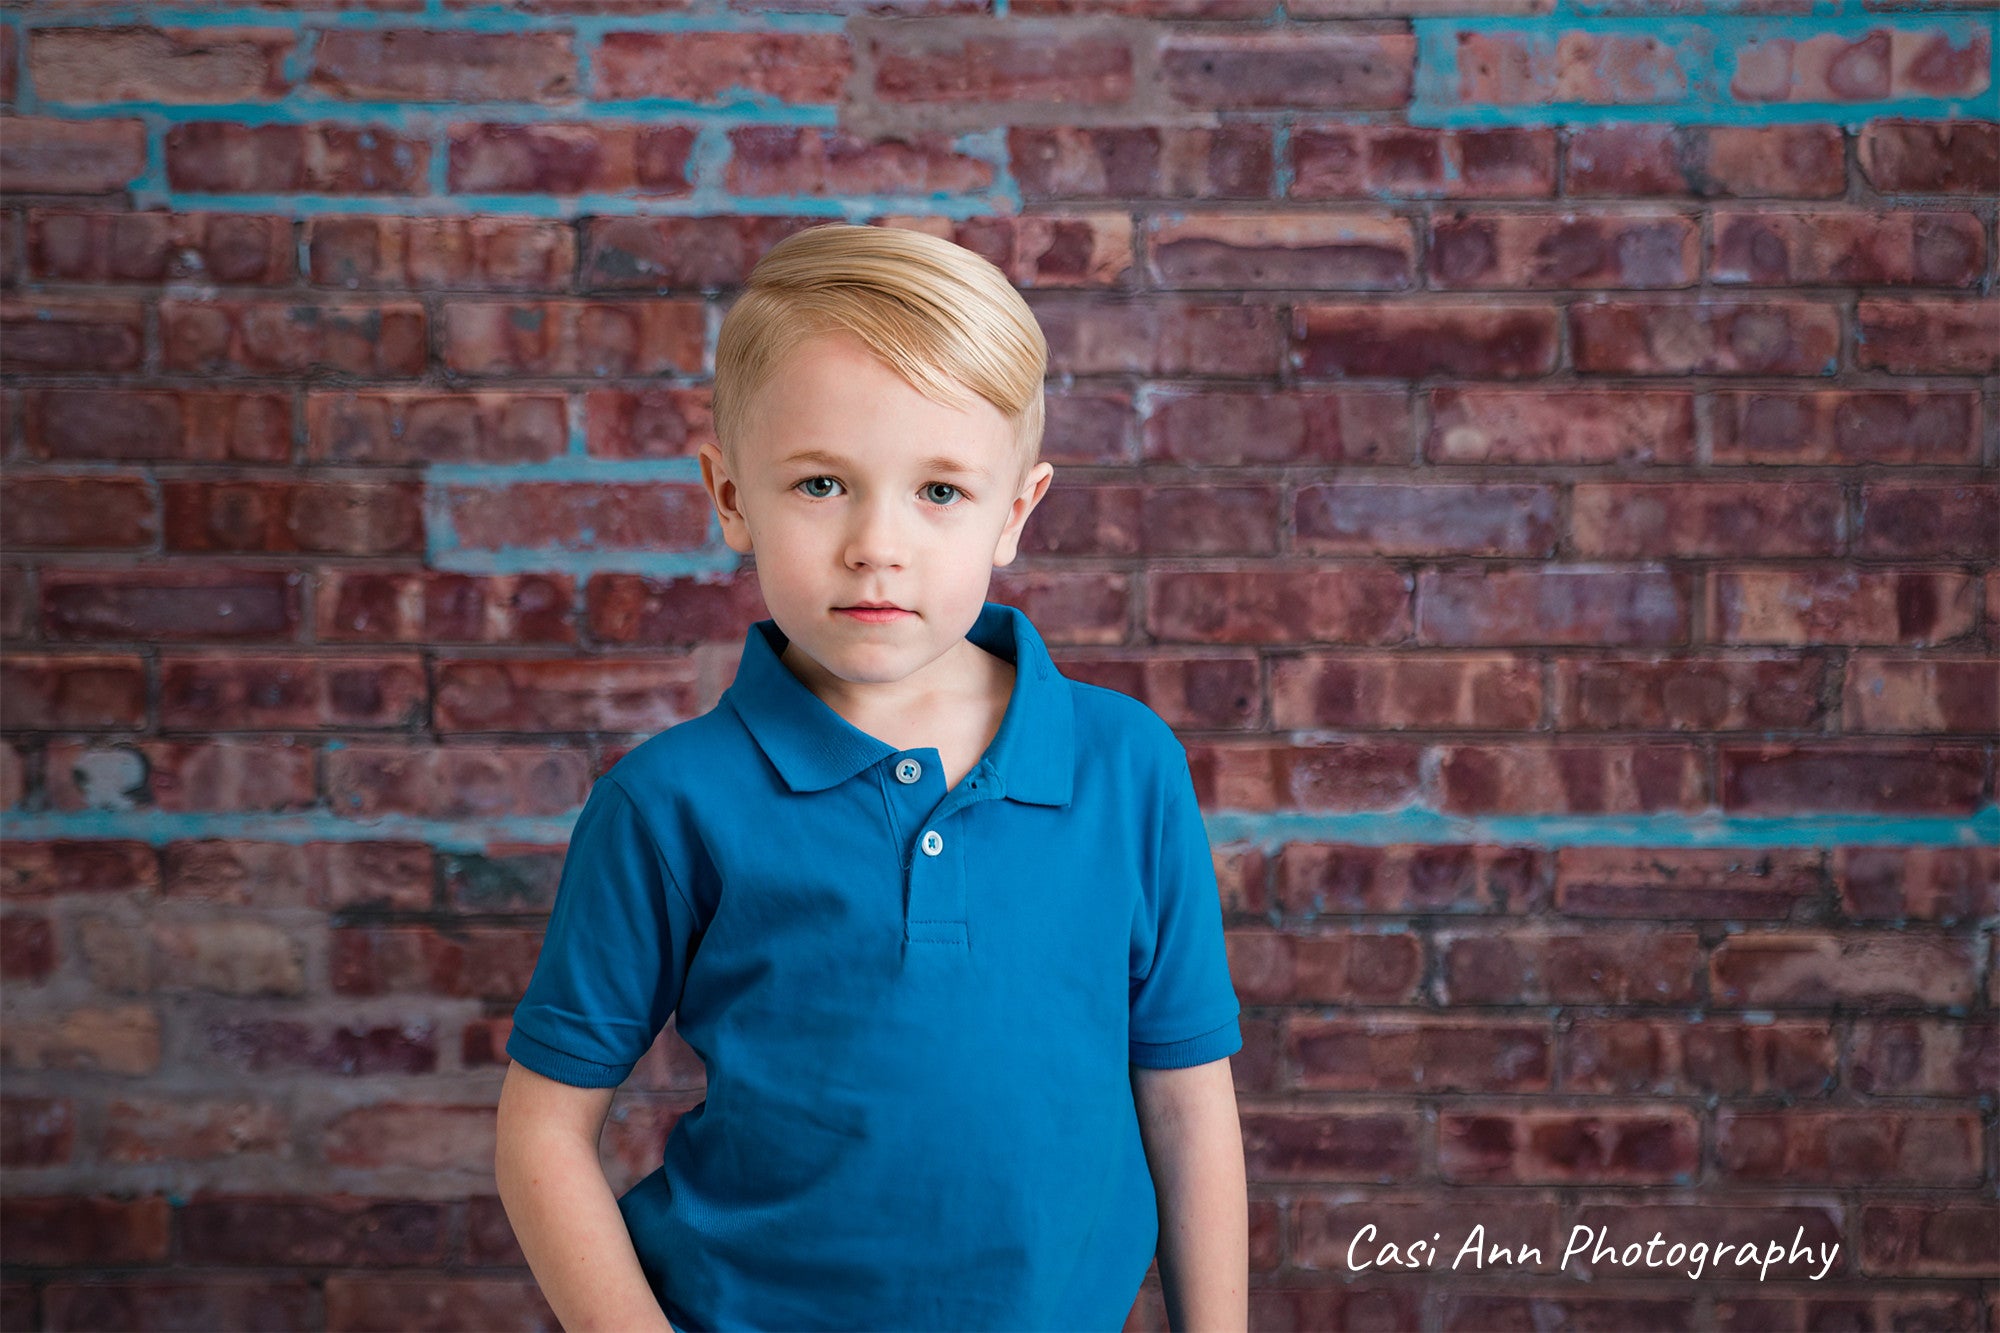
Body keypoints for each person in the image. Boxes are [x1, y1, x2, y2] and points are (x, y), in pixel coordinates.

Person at [492, 222, 1248, 1333]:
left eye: (939, 491)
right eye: (819, 483)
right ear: (730, 494)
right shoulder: (666, 803)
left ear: (1016, 511)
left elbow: (1186, 1108)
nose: (874, 543)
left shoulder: (1124, 766)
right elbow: (541, 1131)